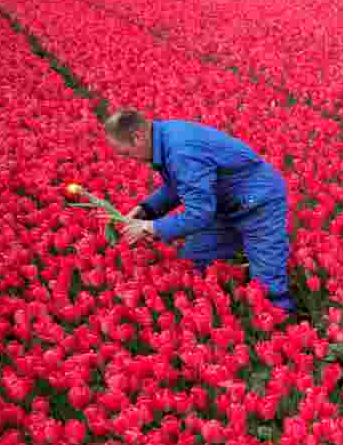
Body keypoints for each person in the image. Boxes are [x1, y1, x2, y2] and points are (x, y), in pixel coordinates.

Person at [103, 109, 297, 313]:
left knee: (268, 284)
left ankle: (282, 323)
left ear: (137, 137)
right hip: (224, 204)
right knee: (192, 258)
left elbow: (199, 215)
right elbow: (179, 185)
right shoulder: (164, 136)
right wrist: (145, 210)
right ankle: (221, 306)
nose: (128, 158)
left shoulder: (181, 151)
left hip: (258, 204)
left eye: (125, 152)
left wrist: (150, 227)